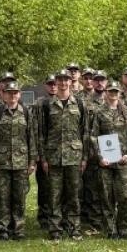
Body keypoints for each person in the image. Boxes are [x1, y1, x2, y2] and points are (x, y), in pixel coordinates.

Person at [37, 72, 88, 240]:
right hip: (54, 156)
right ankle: (55, 229)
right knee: (54, 195)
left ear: (71, 82)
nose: (63, 83)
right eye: (60, 80)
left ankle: (74, 228)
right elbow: (41, 133)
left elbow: (85, 132)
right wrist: (43, 158)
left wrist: (84, 157)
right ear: (56, 82)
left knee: (74, 194)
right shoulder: (46, 105)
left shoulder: (79, 103)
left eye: (66, 80)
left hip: (74, 156)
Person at [0, 80, 34, 241]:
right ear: (4, 95)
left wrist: (32, 161)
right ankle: (3, 228)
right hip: (3, 161)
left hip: (21, 161)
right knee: (3, 196)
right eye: (9, 93)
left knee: (19, 196)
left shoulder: (26, 112)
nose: (12, 96)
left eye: (15, 93)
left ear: (19, 95)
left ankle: (19, 228)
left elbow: (31, 138)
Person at [90, 85, 127, 239]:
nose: (113, 94)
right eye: (110, 91)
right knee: (107, 196)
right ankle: (111, 229)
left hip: (123, 162)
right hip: (106, 163)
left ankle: (124, 228)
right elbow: (93, 137)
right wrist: (100, 157)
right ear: (106, 93)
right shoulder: (99, 113)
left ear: (119, 93)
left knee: (125, 197)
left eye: (116, 91)